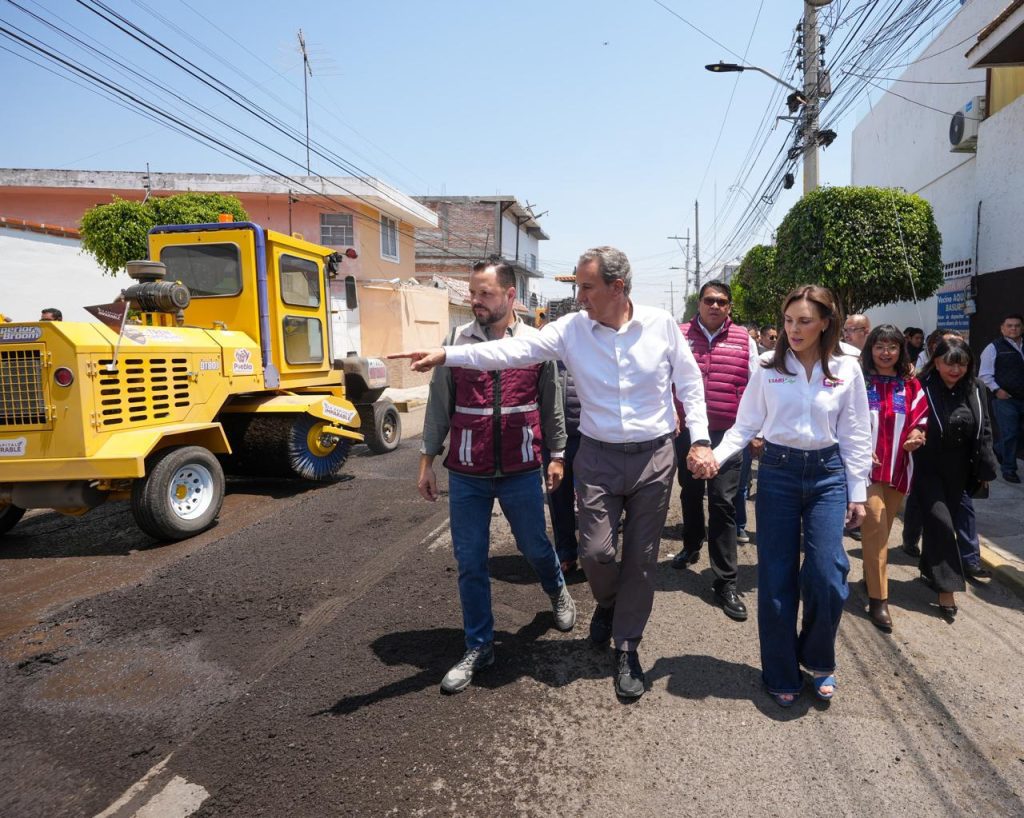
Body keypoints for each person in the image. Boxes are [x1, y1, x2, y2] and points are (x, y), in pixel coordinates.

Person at [392, 246, 714, 700]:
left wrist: (698, 439)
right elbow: (512, 350)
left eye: (586, 287)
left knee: (641, 560)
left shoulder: (661, 325)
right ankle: (607, 602)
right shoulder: (570, 331)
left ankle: (626, 648)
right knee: (596, 550)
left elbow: (690, 383)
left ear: (616, 288)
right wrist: (448, 354)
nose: (578, 297)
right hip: (599, 457)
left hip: (653, 458)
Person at [705, 285, 871, 707]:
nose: (793, 330)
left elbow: (854, 432)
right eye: (788, 320)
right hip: (777, 473)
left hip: (828, 475)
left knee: (827, 574)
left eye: (804, 321)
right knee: (776, 577)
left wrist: (858, 490)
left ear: (826, 323)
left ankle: (818, 658)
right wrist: (715, 456)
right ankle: (779, 670)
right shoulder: (767, 365)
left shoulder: (847, 368)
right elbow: (744, 426)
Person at [416, 256, 574, 694]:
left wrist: (557, 455)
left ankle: (556, 587)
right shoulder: (456, 341)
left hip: (522, 468)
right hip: (468, 471)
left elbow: (552, 403)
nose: (475, 300)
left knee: (534, 546)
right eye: (472, 293)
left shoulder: (536, 344)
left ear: (510, 296)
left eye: (484, 293)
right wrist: (427, 460)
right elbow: (439, 402)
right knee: (470, 560)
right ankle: (479, 645)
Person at [671, 280, 758, 621]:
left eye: (722, 302)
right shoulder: (678, 335)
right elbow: (664, 378)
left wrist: (756, 431)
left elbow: (756, 387)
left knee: (723, 502)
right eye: (710, 300)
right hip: (688, 434)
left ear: (730, 307)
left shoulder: (744, 341)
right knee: (690, 493)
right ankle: (691, 544)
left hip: (730, 435)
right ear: (700, 303)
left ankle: (725, 581)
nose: (715, 306)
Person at [913, 337, 999, 622]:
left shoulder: (976, 389)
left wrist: (985, 471)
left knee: (940, 524)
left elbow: (985, 428)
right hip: (926, 466)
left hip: (961, 469)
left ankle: (928, 568)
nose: (955, 369)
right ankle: (947, 588)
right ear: (935, 362)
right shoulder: (920, 387)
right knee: (941, 523)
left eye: (961, 364)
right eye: (949, 363)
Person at [859, 325, 928, 632]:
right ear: (870, 348)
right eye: (879, 346)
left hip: (898, 469)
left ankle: (868, 575)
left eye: (892, 347)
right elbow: (844, 417)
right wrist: (860, 448)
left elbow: (920, 418)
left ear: (901, 351)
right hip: (865, 470)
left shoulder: (910, 385)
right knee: (874, 525)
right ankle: (879, 600)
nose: (885, 353)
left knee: (881, 533)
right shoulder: (858, 381)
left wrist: (916, 434)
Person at [543, 362, 581, 574]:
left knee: (595, 498)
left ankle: (595, 552)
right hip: (553, 436)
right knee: (558, 496)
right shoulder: (547, 345)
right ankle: (566, 551)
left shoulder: (591, 340)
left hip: (590, 434)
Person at [979, 313, 1024, 483]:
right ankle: (1009, 469)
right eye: (1010, 326)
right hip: (1005, 399)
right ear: (1002, 328)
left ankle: (998, 449)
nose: (1013, 329)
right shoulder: (993, 347)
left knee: (1015, 435)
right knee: (1010, 433)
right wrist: (997, 390)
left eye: (1017, 325)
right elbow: (984, 375)